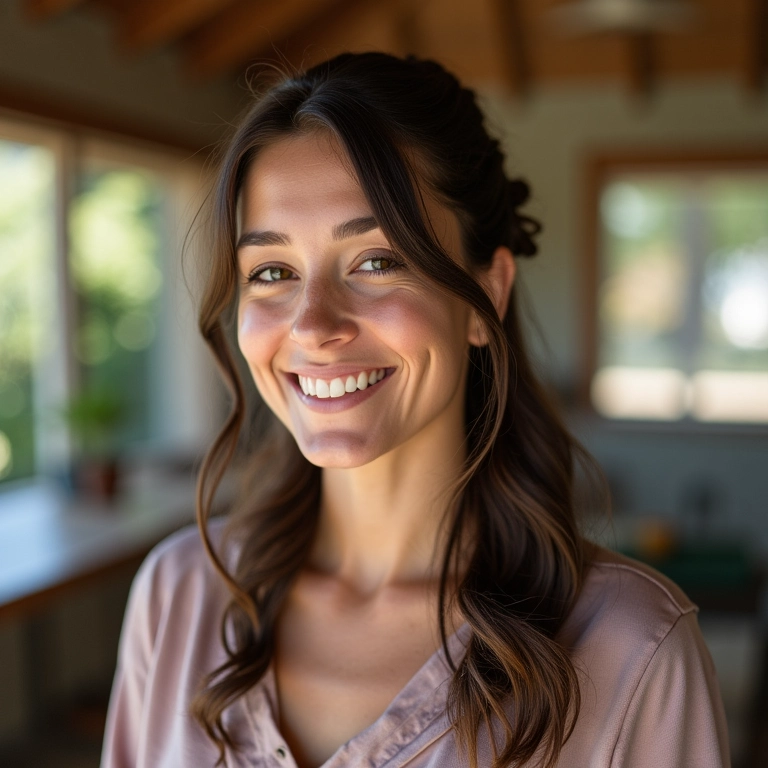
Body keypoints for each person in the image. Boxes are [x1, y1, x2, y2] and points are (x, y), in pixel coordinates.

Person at [100, 52, 729, 768]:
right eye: (272, 271)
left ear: (485, 295)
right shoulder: (178, 595)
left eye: (376, 261)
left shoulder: (632, 649)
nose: (313, 325)